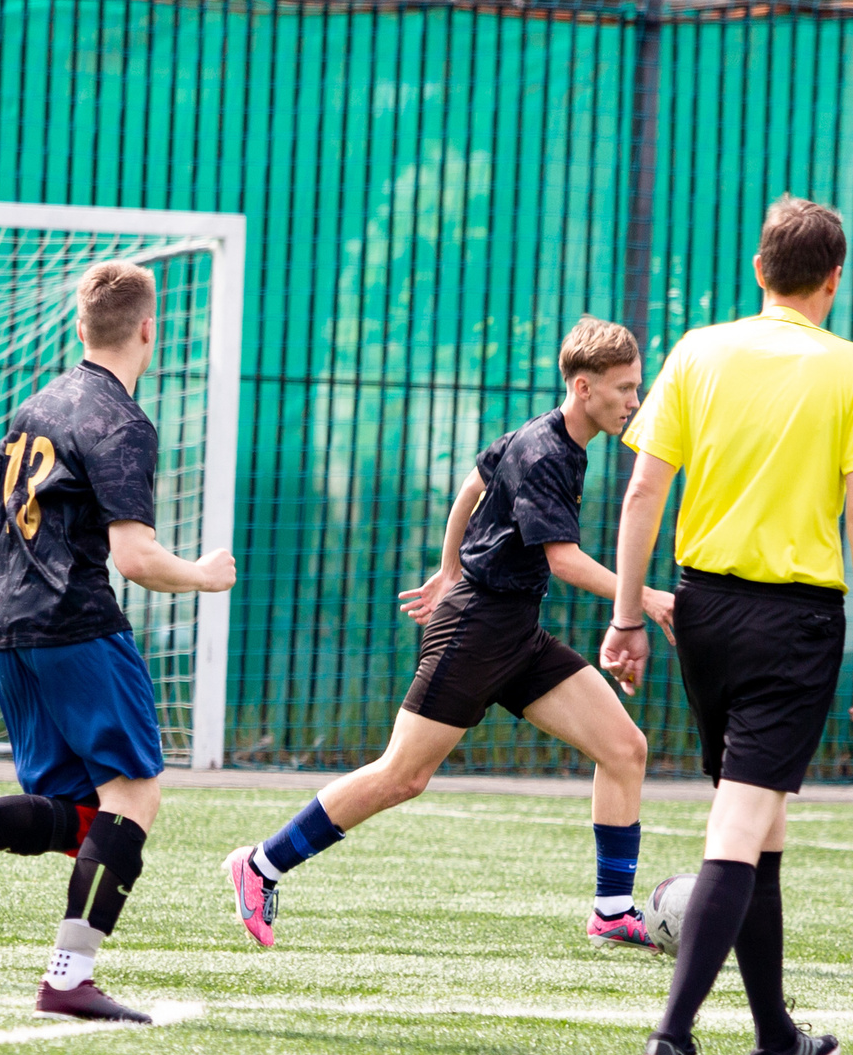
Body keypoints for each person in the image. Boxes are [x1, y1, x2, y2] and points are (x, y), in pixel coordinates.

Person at [0, 261, 236, 1024]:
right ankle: (69, 978)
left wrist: (23, 586)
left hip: (13, 633)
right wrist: (202, 574)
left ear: (79, 327)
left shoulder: (36, 407)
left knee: (75, 813)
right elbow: (134, 557)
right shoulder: (121, 421)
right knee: (134, 797)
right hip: (79, 627)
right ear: (147, 330)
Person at [220, 316, 662, 951]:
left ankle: (612, 909)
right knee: (402, 775)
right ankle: (260, 865)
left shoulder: (542, 437)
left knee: (625, 748)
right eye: (624, 388)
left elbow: (473, 483)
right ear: (585, 387)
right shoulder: (546, 453)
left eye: (637, 387)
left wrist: (448, 564)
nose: (634, 401)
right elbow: (562, 560)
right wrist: (642, 596)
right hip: (477, 628)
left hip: (514, 628)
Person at [602, 196, 853, 1055]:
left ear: (758, 269)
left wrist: (626, 616)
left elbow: (642, 495)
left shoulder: (698, 350)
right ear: (835, 279)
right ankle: (672, 1036)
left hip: (701, 613)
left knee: (761, 822)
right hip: (793, 622)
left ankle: (776, 1038)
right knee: (741, 822)